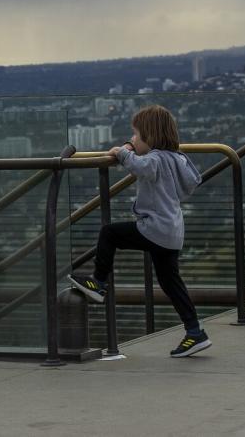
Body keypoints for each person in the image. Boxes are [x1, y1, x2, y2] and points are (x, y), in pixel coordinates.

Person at [69, 104, 208, 357]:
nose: (132, 139)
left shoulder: (156, 159)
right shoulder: (177, 157)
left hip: (154, 228)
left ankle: (98, 283)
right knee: (171, 283)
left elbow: (142, 167)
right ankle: (195, 332)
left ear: (150, 136)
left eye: (135, 135)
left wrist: (122, 152)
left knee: (109, 233)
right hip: (172, 231)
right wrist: (132, 149)